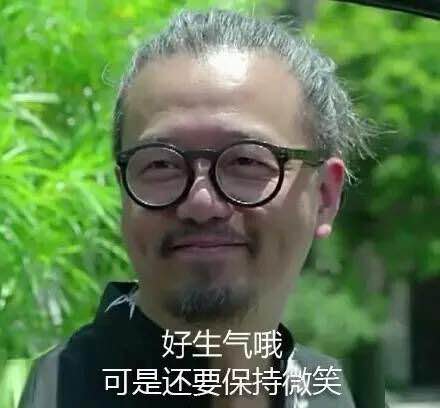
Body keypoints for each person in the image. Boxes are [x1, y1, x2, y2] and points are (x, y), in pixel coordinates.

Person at [18, 8, 374, 408]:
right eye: (160, 165)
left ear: (325, 195)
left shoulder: (325, 390)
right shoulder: (56, 394)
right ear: (124, 192)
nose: (201, 204)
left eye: (246, 161)